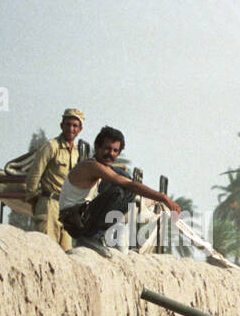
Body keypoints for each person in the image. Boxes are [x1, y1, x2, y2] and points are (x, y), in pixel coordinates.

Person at [58, 125, 180, 255]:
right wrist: (164, 197)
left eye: (115, 151)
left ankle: (97, 236)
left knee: (128, 191)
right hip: (74, 219)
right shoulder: (91, 166)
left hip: (81, 217)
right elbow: (128, 184)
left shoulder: (104, 168)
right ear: (97, 147)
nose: (111, 154)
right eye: (107, 149)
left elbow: (130, 184)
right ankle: (90, 237)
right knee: (119, 190)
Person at [24, 107, 85, 250]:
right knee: (47, 252)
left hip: (68, 208)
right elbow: (33, 177)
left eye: (75, 126)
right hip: (49, 205)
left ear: (80, 129)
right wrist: (37, 202)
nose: (71, 128)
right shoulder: (51, 147)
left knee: (66, 254)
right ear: (61, 125)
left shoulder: (78, 154)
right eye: (68, 124)